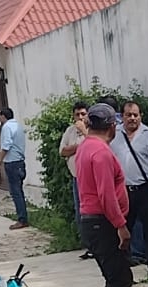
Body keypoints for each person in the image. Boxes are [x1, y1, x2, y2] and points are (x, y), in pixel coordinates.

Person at [77, 103, 148, 287]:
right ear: (112, 126)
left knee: (117, 276)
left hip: (94, 221)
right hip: (103, 222)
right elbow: (106, 194)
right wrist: (121, 226)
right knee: (118, 277)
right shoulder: (101, 153)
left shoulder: (86, 147)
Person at [111, 100, 148, 275]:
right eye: (129, 115)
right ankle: (123, 260)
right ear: (123, 117)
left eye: (135, 115)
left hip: (146, 186)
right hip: (124, 189)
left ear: (140, 116)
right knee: (123, 226)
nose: (132, 118)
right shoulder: (114, 135)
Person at [62, 102, 91, 256]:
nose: (80, 117)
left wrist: (84, 132)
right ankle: (87, 245)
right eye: (77, 114)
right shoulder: (70, 131)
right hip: (76, 178)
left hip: (91, 179)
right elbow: (63, 151)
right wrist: (78, 147)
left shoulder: (92, 130)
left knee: (92, 212)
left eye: (83, 114)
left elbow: (95, 144)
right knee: (80, 212)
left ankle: (96, 245)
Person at [0, 108, 29, 230]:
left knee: (16, 193)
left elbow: (6, 146)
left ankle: (22, 219)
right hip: (20, 162)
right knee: (19, 191)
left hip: (12, 163)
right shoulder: (18, 126)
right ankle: (23, 216)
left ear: (2, 116)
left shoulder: (6, 127)